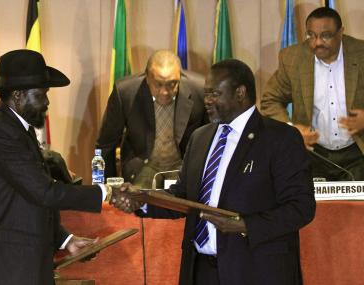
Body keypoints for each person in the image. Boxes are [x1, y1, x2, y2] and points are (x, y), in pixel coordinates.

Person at [113, 59, 316, 285]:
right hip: (201, 270)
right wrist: (141, 200)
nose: (207, 101)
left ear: (240, 93)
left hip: (256, 270)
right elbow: (184, 197)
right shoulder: (200, 137)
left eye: (215, 94)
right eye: (206, 93)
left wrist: (245, 224)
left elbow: (301, 207)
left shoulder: (279, 139)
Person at [0, 49, 119, 285]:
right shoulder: (1, 133)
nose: (47, 101)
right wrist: (108, 192)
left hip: (15, 265)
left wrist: (65, 240)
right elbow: (44, 192)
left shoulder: (16, 127)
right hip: (4, 269)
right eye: (41, 94)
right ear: (19, 95)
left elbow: (26, 198)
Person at [261, 7, 364, 181]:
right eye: (311, 35)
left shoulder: (360, 54)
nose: (317, 42)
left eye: (326, 35)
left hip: (357, 153)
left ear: (341, 33)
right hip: (314, 154)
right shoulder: (292, 58)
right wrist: (292, 129)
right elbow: (270, 101)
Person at [96, 50, 208, 188]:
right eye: (158, 84)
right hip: (142, 166)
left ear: (180, 76)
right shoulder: (125, 92)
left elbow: (211, 139)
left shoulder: (200, 89)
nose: (164, 92)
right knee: (137, 202)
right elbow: (105, 145)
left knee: (182, 204)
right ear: (147, 78)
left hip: (182, 168)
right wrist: (104, 188)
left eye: (172, 84)